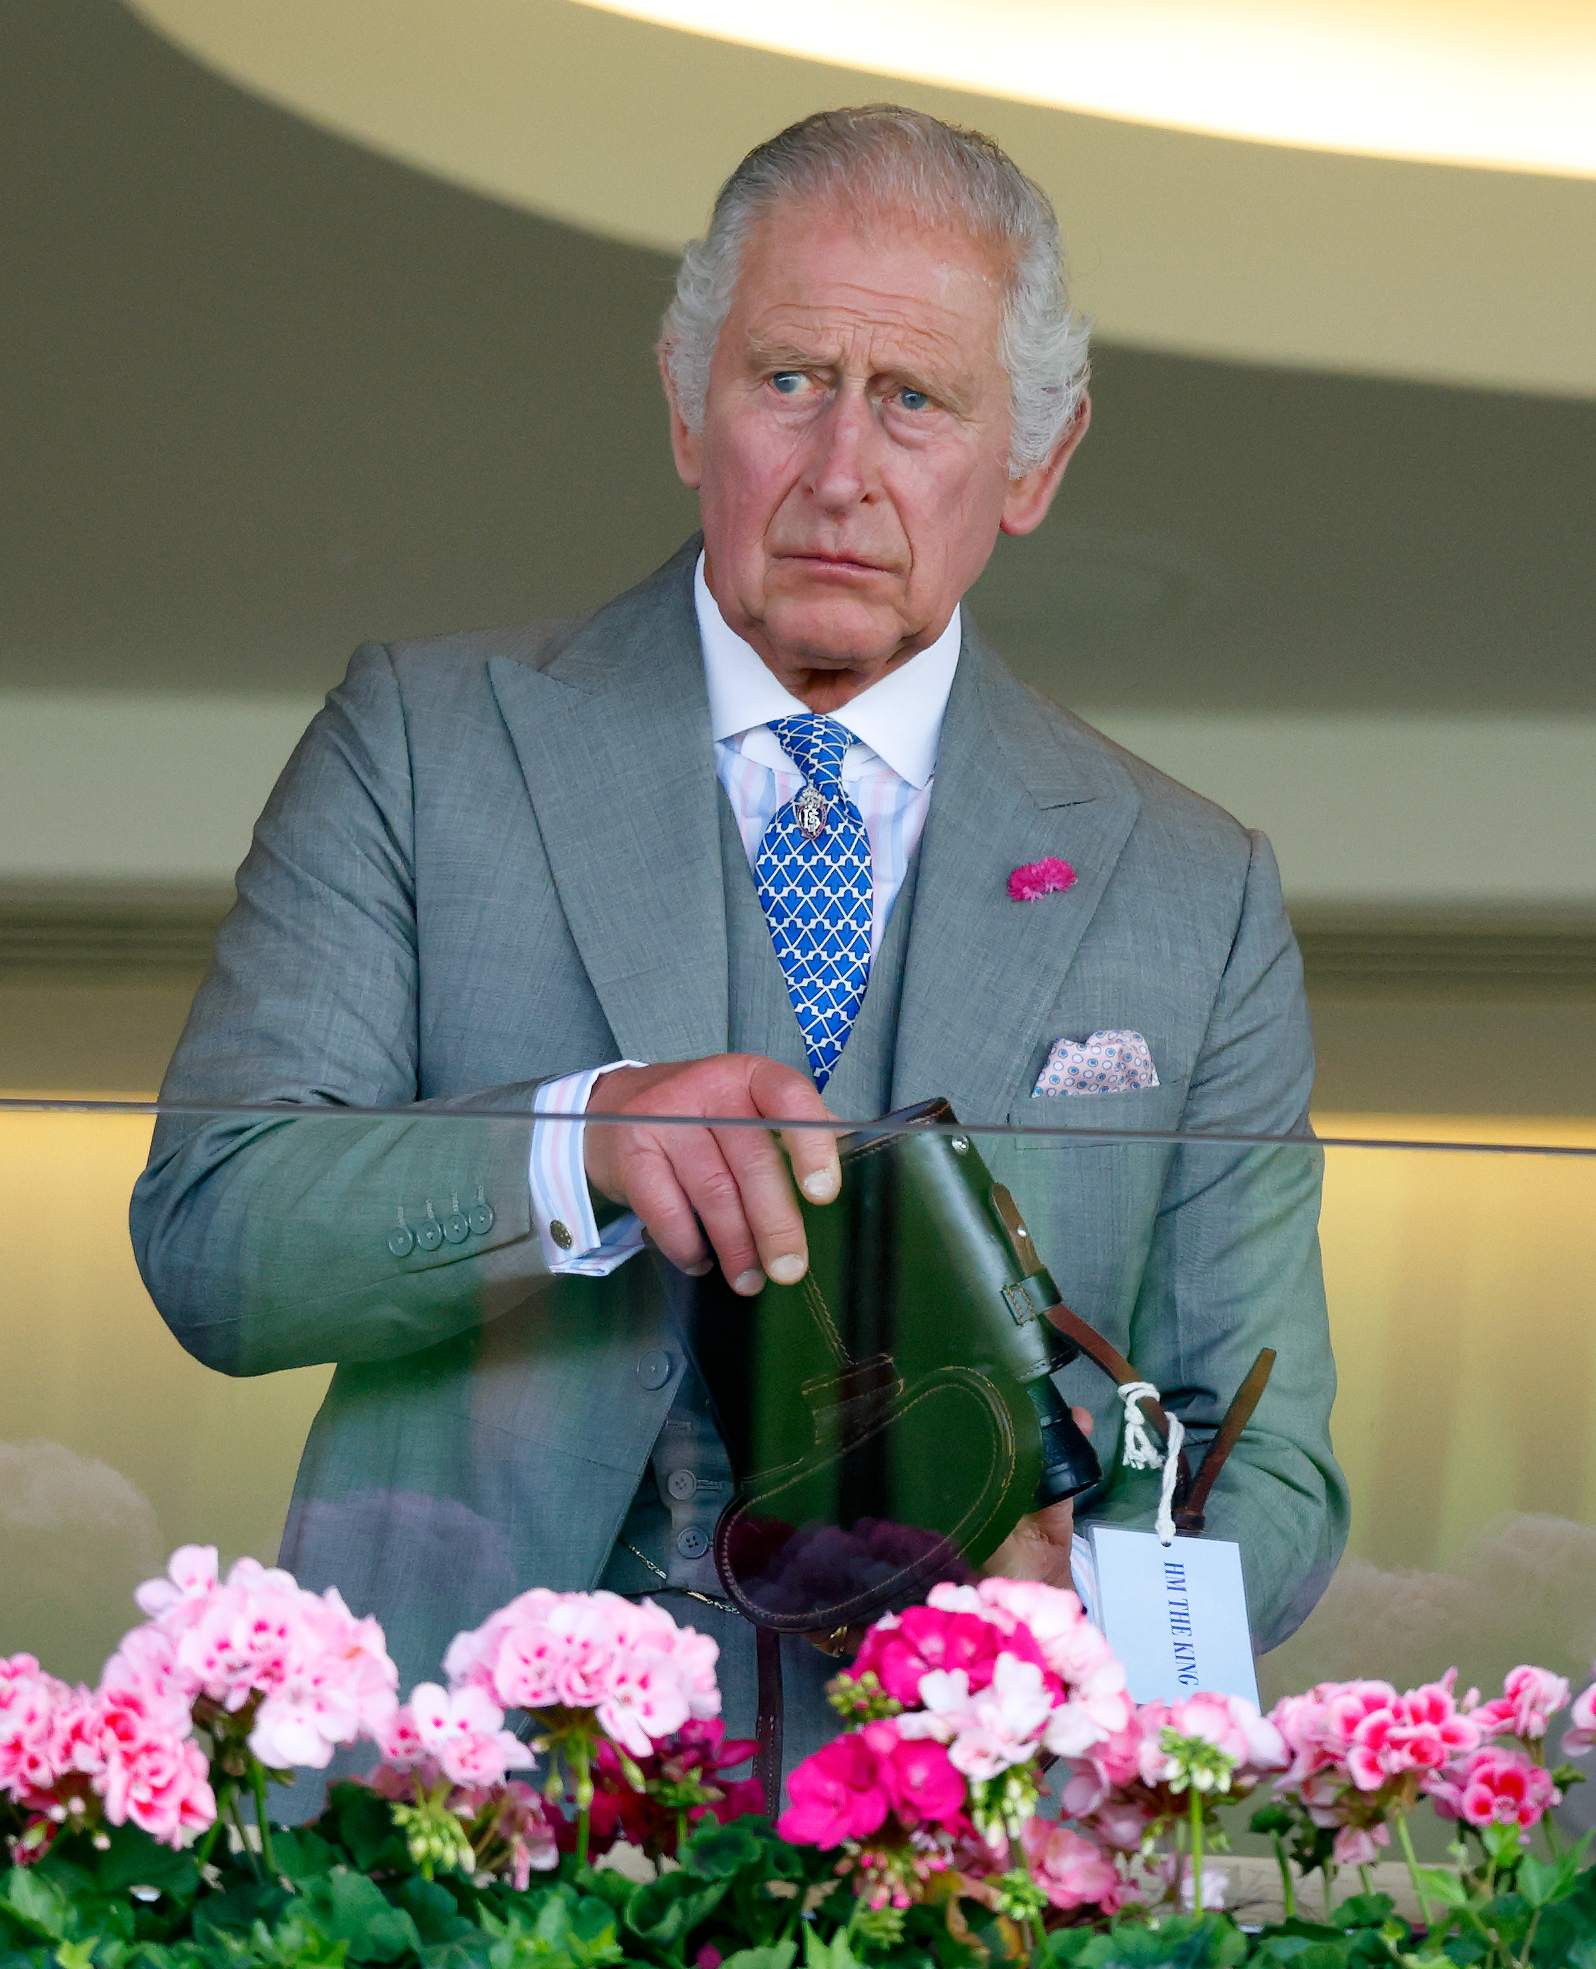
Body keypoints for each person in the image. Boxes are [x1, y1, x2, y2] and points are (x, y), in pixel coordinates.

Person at [131, 106, 1347, 1790]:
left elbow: (1263, 1461)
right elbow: (214, 1234)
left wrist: (1076, 1605)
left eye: (916, 399)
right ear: (686, 404)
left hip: (960, 1872)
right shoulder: (418, 745)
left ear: (1038, 462)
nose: (842, 467)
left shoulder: (1193, 891)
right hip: (449, 1838)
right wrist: (582, 1140)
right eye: (790, 380)